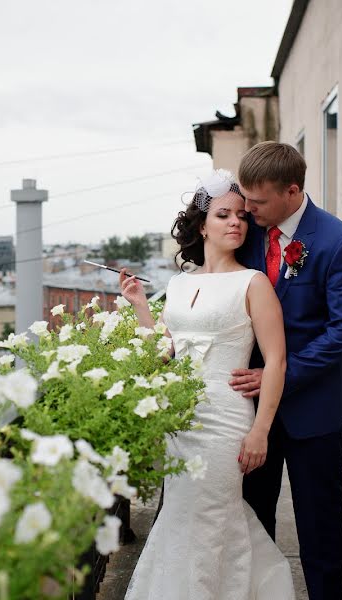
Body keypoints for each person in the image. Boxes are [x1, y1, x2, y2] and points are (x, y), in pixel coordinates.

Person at [121, 169, 295, 599]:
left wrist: (260, 432)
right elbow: (165, 352)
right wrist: (141, 306)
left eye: (241, 215)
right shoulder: (179, 284)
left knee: (212, 515)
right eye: (223, 215)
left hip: (226, 420)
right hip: (180, 419)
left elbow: (276, 360)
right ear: (202, 226)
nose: (236, 222)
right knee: (181, 516)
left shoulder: (253, 282)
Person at [232, 142, 342, 600]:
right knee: (252, 519)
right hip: (248, 413)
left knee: (320, 527)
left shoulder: (338, 241)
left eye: (257, 201)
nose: (246, 210)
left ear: (292, 191)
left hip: (313, 412)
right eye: (244, 200)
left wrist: (280, 376)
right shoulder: (247, 230)